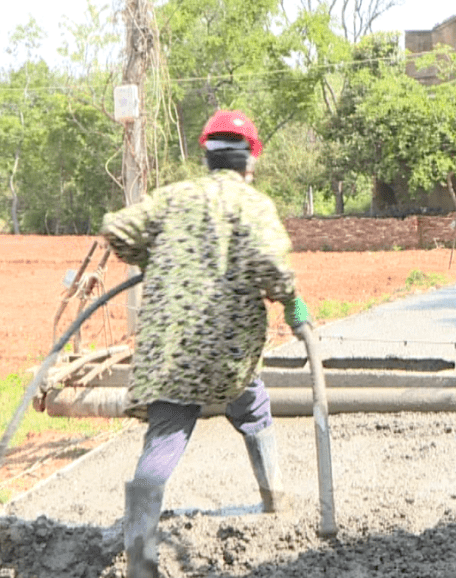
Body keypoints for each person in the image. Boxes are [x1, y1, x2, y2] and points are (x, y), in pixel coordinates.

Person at [101, 109, 310, 578]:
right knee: (254, 407)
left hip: (170, 357)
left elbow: (118, 228)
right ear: (249, 161)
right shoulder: (252, 204)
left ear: (208, 157)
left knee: (164, 440)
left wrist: (149, 258)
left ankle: (139, 555)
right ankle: (275, 497)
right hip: (229, 357)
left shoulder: (174, 198)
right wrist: (294, 305)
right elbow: (273, 267)